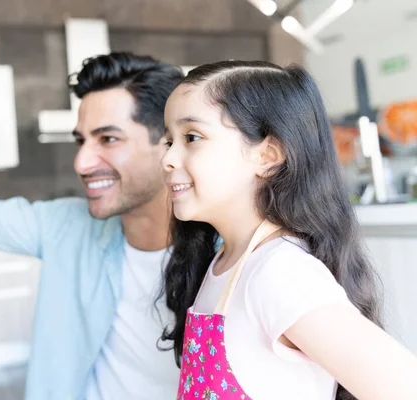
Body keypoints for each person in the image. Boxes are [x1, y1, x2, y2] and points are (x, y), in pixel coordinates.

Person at [0, 44, 184, 399]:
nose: (82, 163)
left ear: (169, 145)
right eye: (81, 141)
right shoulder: (68, 226)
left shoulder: (230, 254)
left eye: (108, 139)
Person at [160, 60, 417, 400]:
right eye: (168, 140)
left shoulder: (279, 272)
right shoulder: (225, 262)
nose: (168, 158)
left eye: (192, 137)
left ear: (267, 155)